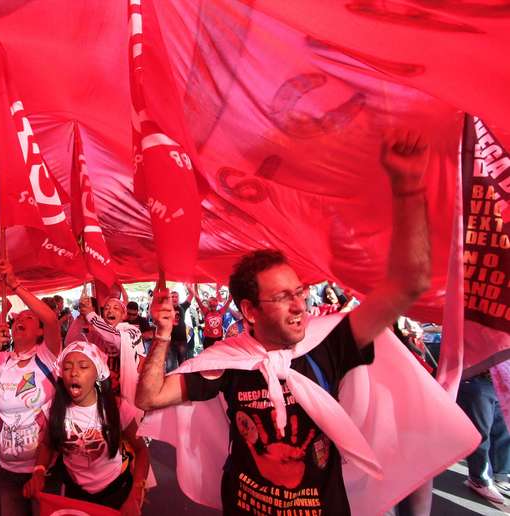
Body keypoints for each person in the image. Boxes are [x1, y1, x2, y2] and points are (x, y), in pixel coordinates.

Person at [136, 130, 434, 514]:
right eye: (282, 297)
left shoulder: (331, 341)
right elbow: (148, 397)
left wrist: (408, 186)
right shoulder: (227, 362)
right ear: (249, 310)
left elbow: (410, 283)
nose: (299, 306)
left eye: (300, 292)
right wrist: (161, 337)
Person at [0, 259, 62, 516]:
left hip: (44, 467)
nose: (20, 319)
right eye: (17, 317)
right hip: (8, 470)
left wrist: (15, 285)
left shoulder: (48, 355)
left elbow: (51, 319)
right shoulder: (2, 360)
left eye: (28, 318)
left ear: (39, 331)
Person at [23, 342, 149, 515]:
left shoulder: (117, 408)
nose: (74, 373)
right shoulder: (54, 409)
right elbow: (47, 444)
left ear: (97, 372)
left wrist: (136, 491)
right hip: (75, 493)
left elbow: (141, 450)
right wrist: (39, 471)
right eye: (67, 368)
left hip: (117, 491)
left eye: (83, 367)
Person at [77, 295, 146, 412]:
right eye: (107, 308)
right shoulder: (98, 334)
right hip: (106, 393)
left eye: (116, 308)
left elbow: (115, 338)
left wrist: (90, 314)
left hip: (129, 395)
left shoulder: (132, 331)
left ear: (124, 315)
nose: (110, 310)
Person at [456, 367, 510, 504]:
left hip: (501, 376)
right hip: (477, 376)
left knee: (503, 428)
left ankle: (500, 474)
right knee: (481, 433)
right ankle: (479, 479)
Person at [193, 285, 232, 349]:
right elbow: (197, 299)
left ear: (217, 305)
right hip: (208, 340)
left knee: (217, 357)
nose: (213, 307)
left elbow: (229, 301)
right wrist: (195, 284)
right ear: (208, 305)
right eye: (211, 305)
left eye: (214, 305)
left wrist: (230, 286)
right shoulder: (206, 312)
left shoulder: (220, 312)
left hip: (218, 339)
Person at [168, 288, 194, 367]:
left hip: (182, 340)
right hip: (170, 341)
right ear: (169, 298)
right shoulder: (166, 309)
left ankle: (182, 379)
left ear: (179, 298)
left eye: (176, 296)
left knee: (182, 365)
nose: (174, 298)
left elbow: (191, 294)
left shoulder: (183, 306)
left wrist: (187, 285)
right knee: (170, 366)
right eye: (172, 296)